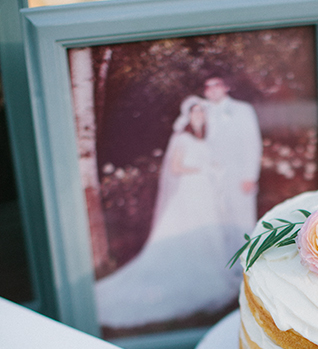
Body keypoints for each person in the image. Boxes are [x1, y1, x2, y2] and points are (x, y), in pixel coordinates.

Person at [95, 97, 236, 330]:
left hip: (204, 191)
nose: (199, 116)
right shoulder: (181, 138)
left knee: (206, 234)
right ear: (188, 116)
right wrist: (203, 169)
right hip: (190, 190)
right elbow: (175, 168)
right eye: (195, 112)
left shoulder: (203, 139)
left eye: (202, 112)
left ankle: (205, 273)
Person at [203, 76, 263, 282]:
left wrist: (250, 175)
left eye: (216, 85)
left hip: (239, 175)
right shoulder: (201, 111)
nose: (213, 90)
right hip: (210, 178)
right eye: (208, 87)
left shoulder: (242, 109)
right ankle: (226, 269)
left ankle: (247, 267)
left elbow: (251, 143)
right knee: (219, 222)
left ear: (226, 87)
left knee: (243, 222)